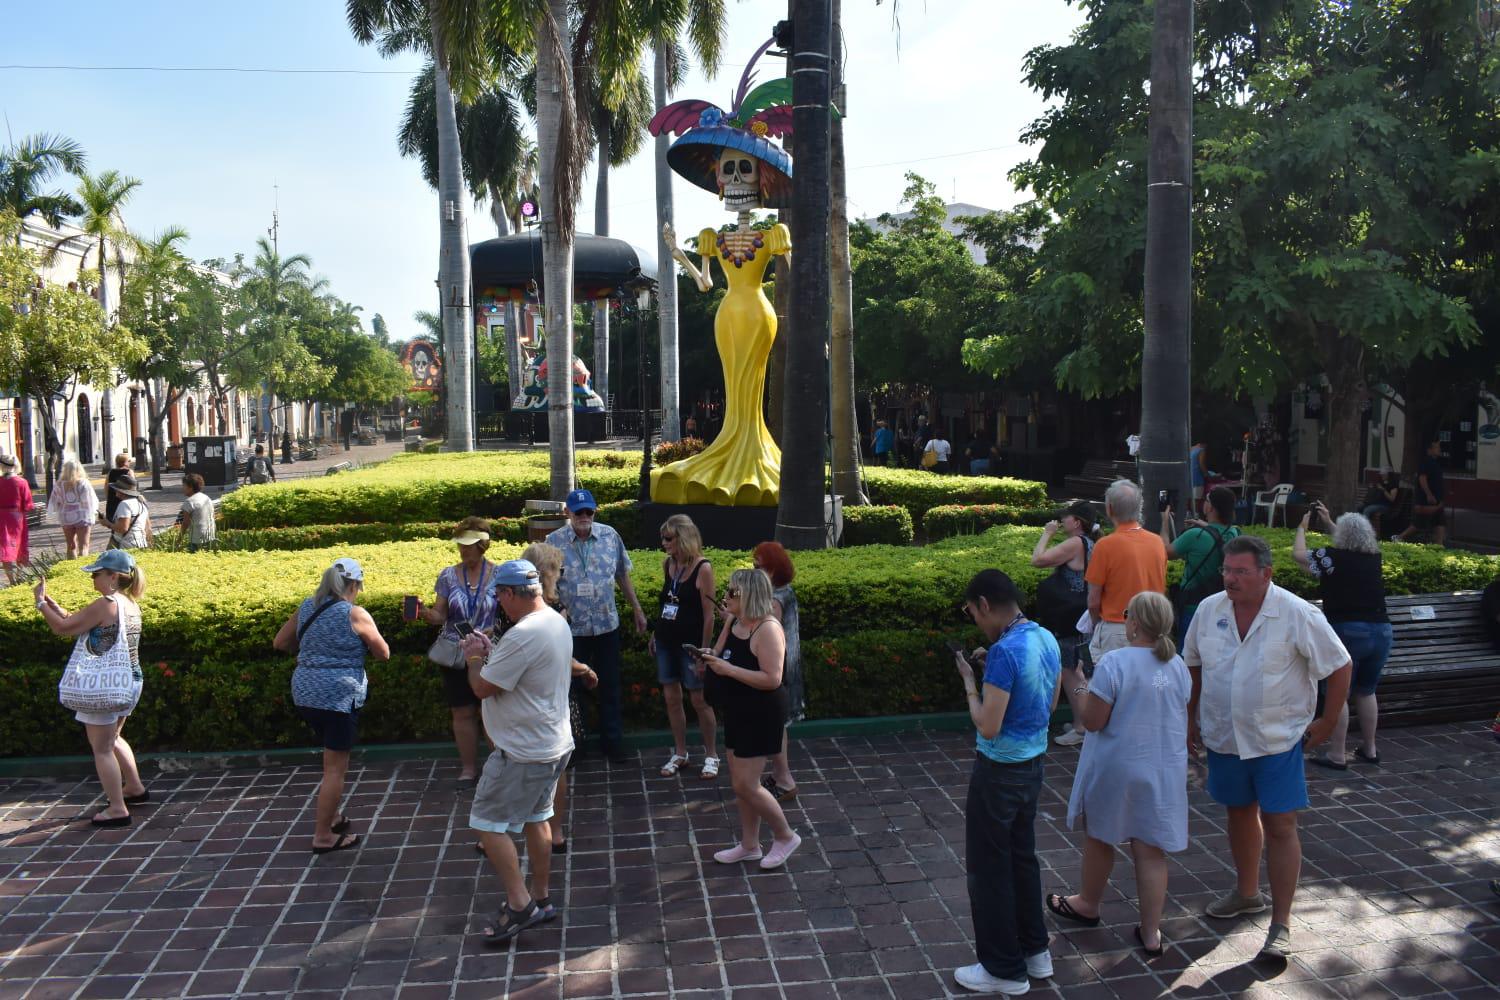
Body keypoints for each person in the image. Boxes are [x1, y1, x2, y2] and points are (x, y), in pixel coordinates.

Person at [1185, 535, 1353, 961]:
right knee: (1238, 813)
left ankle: (1281, 924)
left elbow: (1340, 664)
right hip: (1224, 736)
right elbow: (1194, 666)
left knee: (1280, 826)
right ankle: (1246, 894)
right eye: (1227, 570)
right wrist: (1188, 717)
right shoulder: (1209, 610)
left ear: (1266, 573)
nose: (1231, 579)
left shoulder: (1296, 613)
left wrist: (1329, 721)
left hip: (1277, 739)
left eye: (1241, 571)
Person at [1048, 592, 1190, 959]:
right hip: (1163, 766)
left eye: (1127, 614)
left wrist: (1079, 684)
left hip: (1119, 765)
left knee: (1100, 837)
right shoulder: (1177, 664)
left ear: (1136, 623)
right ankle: (1151, 931)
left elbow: (1093, 721)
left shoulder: (1115, 663)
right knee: (1151, 850)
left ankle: (1088, 903)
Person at [951, 569, 1062, 995]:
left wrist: (969, 681)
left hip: (998, 772)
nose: (974, 619)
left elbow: (988, 725)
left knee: (989, 868)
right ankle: (1036, 952)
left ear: (983, 604)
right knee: (1022, 858)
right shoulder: (1044, 638)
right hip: (1033, 767)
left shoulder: (1003, 653)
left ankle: (1003, 968)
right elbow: (1050, 703)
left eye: (971, 611)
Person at [458, 559, 575, 944]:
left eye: (499, 596)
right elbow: (517, 670)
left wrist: (475, 655)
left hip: (523, 751)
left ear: (510, 593)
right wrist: (494, 651)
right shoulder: (554, 621)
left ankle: (520, 904)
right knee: (537, 819)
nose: (499, 604)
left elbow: (481, 688)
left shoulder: (523, 634)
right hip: (552, 744)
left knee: (486, 824)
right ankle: (540, 899)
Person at [273, 558, 391, 853]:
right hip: (337, 697)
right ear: (353, 585)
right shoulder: (354, 613)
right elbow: (383, 653)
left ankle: (334, 817)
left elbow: (280, 643)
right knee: (334, 770)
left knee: (330, 761)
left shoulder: (306, 606)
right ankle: (323, 836)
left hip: (305, 693)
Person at [33, 549, 149, 827]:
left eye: (97, 574)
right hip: (129, 681)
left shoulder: (105, 603)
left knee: (102, 749)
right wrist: (53, 605)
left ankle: (117, 809)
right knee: (114, 739)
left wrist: (40, 604)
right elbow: (78, 621)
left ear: (112, 576)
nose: (93, 579)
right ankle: (133, 787)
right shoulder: (128, 603)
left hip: (103, 686)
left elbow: (62, 628)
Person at [700, 569, 800, 870]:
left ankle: (785, 836)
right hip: (738, 708)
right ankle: (749, 844)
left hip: (761, 711)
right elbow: (721, 652)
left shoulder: (768, 629)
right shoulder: (735, 621)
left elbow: (772, 678)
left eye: (732, 592)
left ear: (750, 596)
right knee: (739, 782)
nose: (726, 597)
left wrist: (727, 669)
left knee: (747, 784)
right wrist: (708, 656)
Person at [1056, 480, 1166, 748]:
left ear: (1109, 509)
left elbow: (1093, 600)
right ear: (1139, 508)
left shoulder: (1107, 545)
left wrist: (1095, 626)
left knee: (1110, 702)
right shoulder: (1157, 543)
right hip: (1153, 632)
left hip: (1116, 630)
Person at [546, 488, 648, 762]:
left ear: (595, 511)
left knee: (610, 686)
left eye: (588, 511)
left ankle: (612, 744)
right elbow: (546, 585)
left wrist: (637, 608)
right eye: (578, 511)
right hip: (571, 629)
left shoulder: (609, 536)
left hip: (606, 625)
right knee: (572, 689)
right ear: (567, 512)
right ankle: (575, 746)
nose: (584, 516)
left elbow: (622, 575)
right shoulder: (552, 542)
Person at [1293, 506, 1391, 768]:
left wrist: (1302, 528)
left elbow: (1298, 555)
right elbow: (1352, 537)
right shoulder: (1374, 556)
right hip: (1381, 629)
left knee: (1340, 692)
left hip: (1348, 629)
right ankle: (1369, 750)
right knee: (1367, 691)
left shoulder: (1332, 557)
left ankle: (1338, 754)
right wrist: (1328, 522)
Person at [519, 542, 598, 854]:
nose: (562, 574)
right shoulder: (545, 611)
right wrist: (584, 670)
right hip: (540, 696)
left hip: (545, 694)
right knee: (546, 767)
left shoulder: (546, 606)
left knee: (554, 768)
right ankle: (546, 829)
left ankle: (551, 828)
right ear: (545, 573)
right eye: (558, 569)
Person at [412, 518, 498, 785]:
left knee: (492, 711)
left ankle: (498, 769)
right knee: (461, 711)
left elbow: (508, 614)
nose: (463, 550)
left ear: (483, 545)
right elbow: (440, 615)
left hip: (489, 651)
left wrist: (490, 632)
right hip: (455, 653)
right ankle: (469, 768)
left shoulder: (500, 574)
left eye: (469, 545)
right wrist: (425, 613)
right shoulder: (448, 575)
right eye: (460, 545)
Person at [651, 515, 720, 780]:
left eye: (668, 538)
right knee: (671, 697)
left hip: (690, 644)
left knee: (699, 699)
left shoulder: (703, 567)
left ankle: (711, 754)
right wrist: (655, 634)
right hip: (666, 640)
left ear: (683, 538)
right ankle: (680, 752)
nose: (664, 543)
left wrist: (703, 652)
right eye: (663, 538)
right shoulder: (667, 564)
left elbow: (709, 614)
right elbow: (666, 602)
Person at [1032, 501, 1098, 744]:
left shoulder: (1074, 543)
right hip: (1081, 614)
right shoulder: (1091, 542)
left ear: (1077, 522)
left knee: (1070, 671)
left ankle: (1082, 727)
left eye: (1066, 518)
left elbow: (1037, 560)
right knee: (1077, 668)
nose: (1062, 522)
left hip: (1068, 615)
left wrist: (1047, 533)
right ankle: (1082, 719)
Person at [1160, 486, 1240, 645]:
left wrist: (1164, 521)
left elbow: (1163, 552)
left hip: (1193, 608)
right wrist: (1207, 526)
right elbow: (1219, 535)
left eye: (1207, 500)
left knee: (1188, 656)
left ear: (1210, 507)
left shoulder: (1195, 535)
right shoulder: (1235, 533)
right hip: (1223, 607)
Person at [753, 541, 802, 801]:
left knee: (775, 725)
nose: (754, 570)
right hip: (784, 665)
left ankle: (783, 779)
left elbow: (765, 628)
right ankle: (780, 776)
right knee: (777, 725)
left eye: (758, 566)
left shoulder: (775, 598)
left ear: (772, 569)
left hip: (776, 669)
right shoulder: (784, 591)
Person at [1394, 438, 1446, 545]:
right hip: (1426, 500)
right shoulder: (1426, 462)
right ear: (1429, 450)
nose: (1439, 449)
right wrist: (1429, 494)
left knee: (1440, 521)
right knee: (1419, 523)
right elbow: (1422, 479)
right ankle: (1399, 537)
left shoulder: (1435, 463)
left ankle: (1439, 545)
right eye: (1437, 447)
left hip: (1436, 499)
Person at [48, 460, 99, 560]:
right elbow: (89, 501)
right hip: (82, 516)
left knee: (71, 545)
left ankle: (71, 565)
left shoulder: (59, 484)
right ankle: (82, 567)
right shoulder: (83, 483)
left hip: (66, 517)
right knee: (84, 545)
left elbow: (56, 502)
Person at [0, 454, 34, 584]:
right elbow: (28, 504)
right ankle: (19, 575)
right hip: (17, 518)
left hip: (1, 518)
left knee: (5, 547)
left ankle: (11, 580)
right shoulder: (22, 482)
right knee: (20, 545)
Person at [108, 475, 152, 551]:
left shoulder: (125, 504)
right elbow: (148, 527)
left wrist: (106, 523)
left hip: (127, 545)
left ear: (121, 491)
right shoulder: (141, 503)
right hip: (141, 543)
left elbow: (123, 528)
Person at [175, 473, 216, 552]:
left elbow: (185, 523)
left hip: (196, 539)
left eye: (184, 486)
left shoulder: (189, 502)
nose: (182, 488)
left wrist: (178, 540)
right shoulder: (206, 498)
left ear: (190, 487)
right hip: (210, 535)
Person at [1361, 468, 1401, 534]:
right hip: (1375, 504)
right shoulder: (1381, 483)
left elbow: (1392, 499)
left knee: (1367, 510)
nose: (1382, 476)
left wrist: (1383, 490)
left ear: (1388, 475)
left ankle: (1366, 531)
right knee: (1358, 507)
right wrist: (1372, 488)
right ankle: (1358, 529)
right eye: (1381, 475)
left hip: (1385, 506)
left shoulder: (1393, 485)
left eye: (1383, 475)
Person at [104, 453, 131, 524]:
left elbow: (106, 486)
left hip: (112, 499)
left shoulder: (111, 472)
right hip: (125, 499)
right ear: (124, 462)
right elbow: (133, 487)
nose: (130, 462)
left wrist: (108, 498)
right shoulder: (129, 472)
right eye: (129, 461)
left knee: (113, 521)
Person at [1189, 441, 1210, 509]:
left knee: (1189, 502)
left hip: (1189, 480)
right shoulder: (1201, 450)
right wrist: (1208, 476)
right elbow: (1202, 466)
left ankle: (1189, 517)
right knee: (1196, 503)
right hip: (1197, 480)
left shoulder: (1190, 449)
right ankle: (1195, 517)